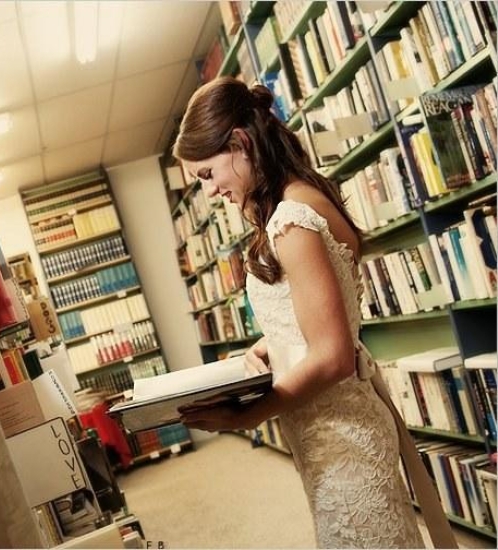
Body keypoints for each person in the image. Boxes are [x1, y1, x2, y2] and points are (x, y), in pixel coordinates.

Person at [173, 76, 453, 549]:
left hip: (341, 434)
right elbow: (319, 318)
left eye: (207, 174)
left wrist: (248, 416)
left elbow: (333, 356)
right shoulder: (304, 197)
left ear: (239, 143)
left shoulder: (291, 220)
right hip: (332, 430)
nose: (211, 190)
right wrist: (268, 346)